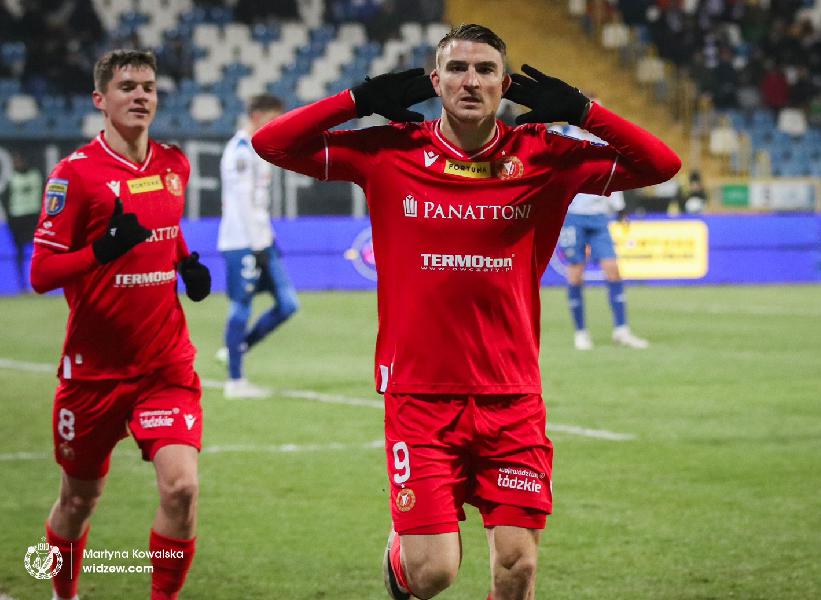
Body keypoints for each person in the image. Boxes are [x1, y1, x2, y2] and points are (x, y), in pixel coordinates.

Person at [253, 24, 680, 600]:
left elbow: (662, 165)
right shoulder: (389, 151)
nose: (470, 81)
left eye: (485, 70)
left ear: (506, 85)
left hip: (511, 395)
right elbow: (271, 144)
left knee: (518, 566)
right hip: (420, 397)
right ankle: (403, 555)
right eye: (457, 68)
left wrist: (584, 112)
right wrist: (357, 100)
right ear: (436, 81)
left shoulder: (544, 156)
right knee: (433, 574)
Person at [30, 49, 211, 600]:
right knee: (78, 500)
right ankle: (63, 594)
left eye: (148, 87)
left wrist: (185, 261)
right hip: (93, 373)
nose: (140, 96)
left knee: (181, 489)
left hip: (164, 365)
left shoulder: (174, 164)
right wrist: (100, 252)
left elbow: (164, 227)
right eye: (127, 86)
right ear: (100, 99)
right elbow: (40, 273)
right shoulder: (74, 175)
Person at [216, 93, 299, 398]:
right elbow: (242, 205)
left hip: (263, 239)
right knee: (241, 306)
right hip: (242, 242)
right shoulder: (239, 151)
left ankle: (235, 349)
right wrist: (256, 244)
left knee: (288, 304)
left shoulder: (256, 149)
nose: (277, 124)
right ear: (256, 116)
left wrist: (268, 239)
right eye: (273, 118)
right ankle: (235, 381)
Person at [552, 120, 649, 351]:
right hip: (573, 215)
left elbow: (612, 176)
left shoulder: (604, 142)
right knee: (576, 273)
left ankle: (621, 330)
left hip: (599, 216)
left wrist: (620, 208)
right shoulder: (563, 137)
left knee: (613, 270)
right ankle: (581, 332)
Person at [2, 151, 43, 292]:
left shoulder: (36, 176)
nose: (17, 164)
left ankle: (40, 280)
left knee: (39, 251)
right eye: (15, 162)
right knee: (19, 252)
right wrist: (10, 218)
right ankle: (22, 284)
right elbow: (5, 200)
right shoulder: (11, 180)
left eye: (19, 161)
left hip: (33, 217)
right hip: (18, 219)